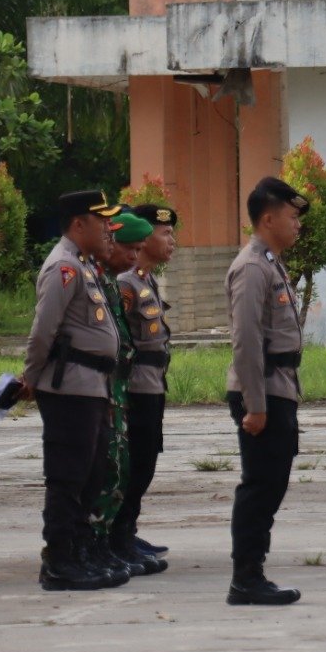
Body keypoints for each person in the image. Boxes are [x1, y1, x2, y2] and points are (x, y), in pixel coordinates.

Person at [21, 191, 126, 591]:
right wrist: (30, 377)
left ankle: (80, 553)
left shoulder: (83, 265)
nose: (108, 228)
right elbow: (43, 331)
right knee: (68, 476)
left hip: (91, 386)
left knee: (90, 475)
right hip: (69, 388)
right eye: (102, 220)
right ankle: (59, 560)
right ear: (79, 224)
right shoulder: (63, 267)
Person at [224, 177, 309, 606]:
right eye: (292, 216)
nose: (297, 224)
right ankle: (246, 578)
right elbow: (246, 340)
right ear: (268, 219)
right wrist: (255, 406)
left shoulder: (271, 263)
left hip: (279, 387)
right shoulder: (253, 267)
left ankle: (252, 573)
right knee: (260, 485)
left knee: (272, 483)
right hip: (262, 392)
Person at [86, 208, 164, 579]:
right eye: (129, 247)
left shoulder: (133, 281)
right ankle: (107, 540)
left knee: (136, 465)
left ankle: (120, 537)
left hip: (146, 381)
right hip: (126, 386)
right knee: (118, 470)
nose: (134, 255)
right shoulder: (115, 282)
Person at [114, 203, 178, 566]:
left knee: (146, 461)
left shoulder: (145, 279)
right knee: (134, 465)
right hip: (136, 387)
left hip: (153, 382)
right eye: (164, 233)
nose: (172, 240)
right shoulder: (125, 283)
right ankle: (118, 536)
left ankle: (128, 531)